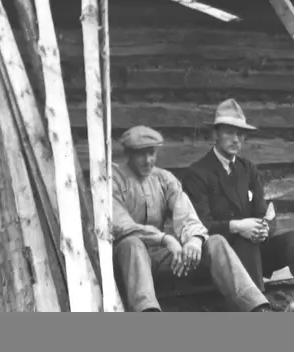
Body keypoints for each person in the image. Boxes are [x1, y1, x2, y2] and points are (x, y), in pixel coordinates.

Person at [181, 100, 294, 313]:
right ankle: (258, 307)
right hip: (221, 261)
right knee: (246, 240)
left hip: (253, 254)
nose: (236, 139)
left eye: (241, 134)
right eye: (229, 133)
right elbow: (201, 226)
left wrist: (264, 229)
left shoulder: (247, 170)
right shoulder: (198, 173)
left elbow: (262, 214)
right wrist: (238, 226)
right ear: (215, 134)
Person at [110, 125, 271, 313]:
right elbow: (122, 225)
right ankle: (148, 311)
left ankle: (255, 306)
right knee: (132, 243)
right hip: (126, 260)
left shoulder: (164, 179)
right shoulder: (113, 179)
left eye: (152, 153)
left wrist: (194, 240)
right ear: (128, 154)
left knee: (215, 241)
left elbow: (186, 215)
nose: (148, 160)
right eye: (141, 154)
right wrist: (165, 239)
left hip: (158, 256)